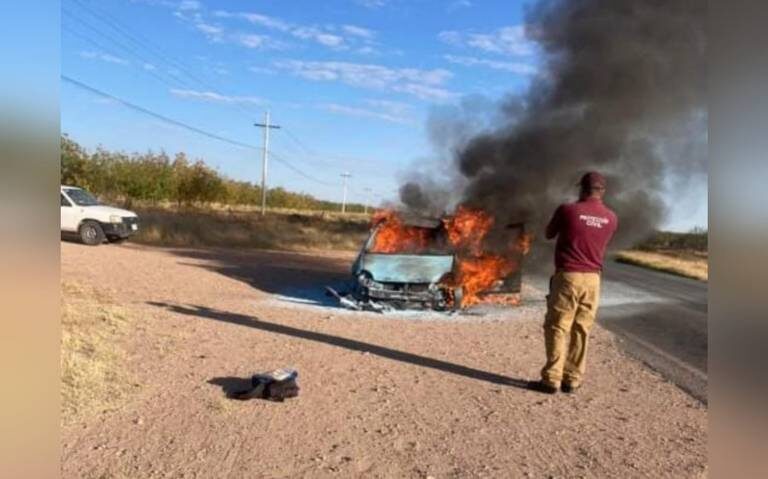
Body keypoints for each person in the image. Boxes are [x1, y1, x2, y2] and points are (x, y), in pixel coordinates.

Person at [528, 172, 618, 394]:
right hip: (593, 280)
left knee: (558, 326)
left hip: (569, 276)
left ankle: (551, 379)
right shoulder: (611, 218)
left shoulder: (568, 210)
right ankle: (573, 379)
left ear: (581, 188)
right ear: (602, 191)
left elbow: (549, 234)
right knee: (582, 329)